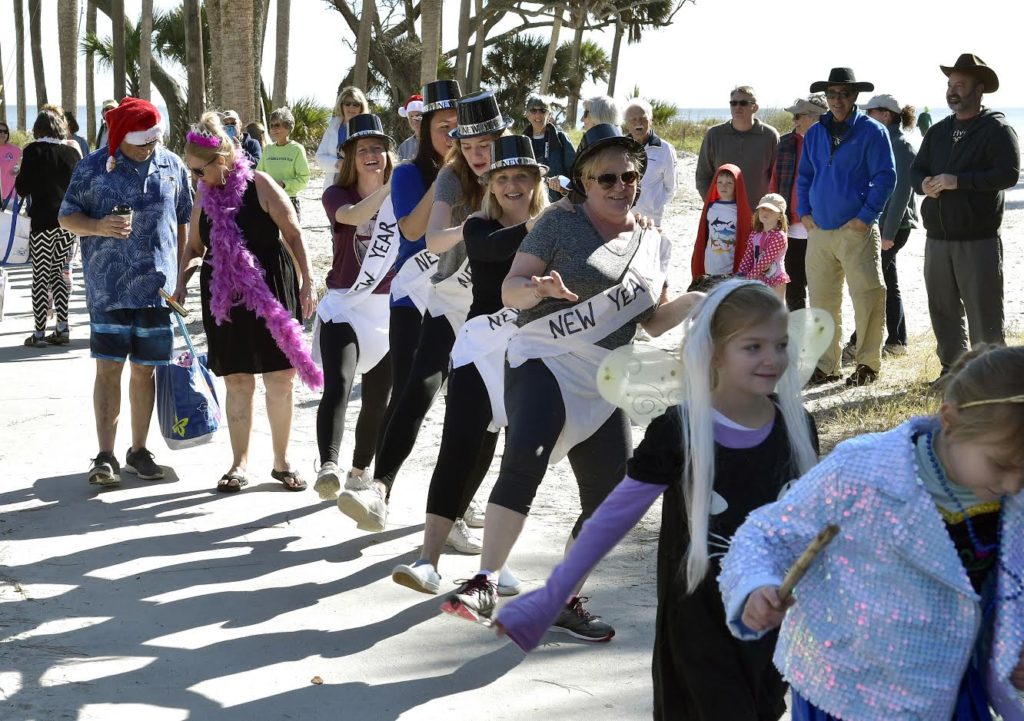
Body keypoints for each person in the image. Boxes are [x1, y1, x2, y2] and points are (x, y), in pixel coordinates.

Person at [497, 280, 819, 719]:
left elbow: (810, 526)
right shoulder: (680, 431)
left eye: (780, 345)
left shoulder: (797, 426)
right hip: (701, 627)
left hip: (774, 624)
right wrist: (553, 593)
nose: (772, 359)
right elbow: (613, 517)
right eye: (753, 346)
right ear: (714, 352)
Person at [440, 123, 701, 639]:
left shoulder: (652, 241)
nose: (620, 186)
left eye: (629, 176)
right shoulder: (559, 223)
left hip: (604, 374)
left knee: (607, 498)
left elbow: (649, 323)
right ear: (583, 180)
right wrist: (536, 289)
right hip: (544, 355)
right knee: (525, 459)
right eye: (607, 178)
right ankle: (484, 582)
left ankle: (563, 598)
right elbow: (512, 290)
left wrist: (697, 302)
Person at [721, 344, 1024, 721]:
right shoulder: (863, 471)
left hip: (949, 690)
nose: (1013, 484)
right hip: (849, 692)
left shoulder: (1013, 494)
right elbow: (765, 535)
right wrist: (754, 586)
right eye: (1000, 465)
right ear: (950, 420)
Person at [337, 89, 510, 537]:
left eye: (473, 138)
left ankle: (457, 508)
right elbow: (418, 232)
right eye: (450, 132)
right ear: (424, 128)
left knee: (484, 410)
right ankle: (380, 487)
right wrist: (451, 180)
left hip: (491, 301)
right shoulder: (422, 174)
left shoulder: (510, 171)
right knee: (418, 387)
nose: (461, 143)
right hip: (426, 293)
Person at [392, 136, 549, 594]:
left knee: (511, 461)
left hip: (532, 353)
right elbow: (494, 250)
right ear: (490, 184)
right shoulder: (481, 225)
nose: (512, 185)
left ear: (536, 179)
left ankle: (495, 563)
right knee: (459, 449)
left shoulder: (556, 223)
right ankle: (427, 559)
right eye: (502, 177)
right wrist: (553, 220)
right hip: (480, 351)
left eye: (522, 175)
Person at [172, 112, 319, 493]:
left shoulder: (261, 184)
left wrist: (308, 282)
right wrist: (181, 282)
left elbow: (293, 233)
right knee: (238, 379)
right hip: (224, 290)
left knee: (280, 378)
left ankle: (282, 461)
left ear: (221, 161)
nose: (194, 178)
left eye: (198, 170)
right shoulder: (204, 194)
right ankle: (239, 464)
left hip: (269, 285)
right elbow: (193, 247)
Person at [59, 97, 192, 486]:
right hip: (109, 290)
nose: (150, 148)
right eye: (141, 142)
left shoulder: (173, 165)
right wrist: (99, 227)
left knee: (145, 372)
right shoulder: (91, 167)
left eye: (154, 140)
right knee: (108, 369)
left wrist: (182, 278)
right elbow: (66, 216)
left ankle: (138, 450)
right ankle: (104, 455)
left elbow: (183, 221)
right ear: (119, 138)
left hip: (158, 292)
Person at [910, 54, 1020, 385]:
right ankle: (953, 372)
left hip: (978, 239)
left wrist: (960, 180)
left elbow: (1008, 174)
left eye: (960, 85)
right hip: (937, 239)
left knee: (983, 312)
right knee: (943, 310)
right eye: (950, 85)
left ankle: (992, 378)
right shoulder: (939, 131)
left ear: (979, 89)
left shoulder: (998, 129)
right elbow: (917, 169)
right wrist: (923, 185)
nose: (953, 91)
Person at [311, 114, 397, 500]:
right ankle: (328, 464)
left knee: (379, 400)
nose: (372, 155)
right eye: (363, 149)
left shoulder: (404, 195)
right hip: (345, 305)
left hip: (390, 309)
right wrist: (393, 190)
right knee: (340, 385)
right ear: (349, 157)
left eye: (378, 147)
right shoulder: (336, 194)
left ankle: (359, 471)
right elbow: (352, 217)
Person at [798, 68, 895, 388]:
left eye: (844, 94)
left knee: (867, 296)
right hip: (820, 231)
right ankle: (827, 366)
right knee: (823, 302)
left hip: (857, 231)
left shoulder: (872, 131)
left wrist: (865, 217)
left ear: (855, 97)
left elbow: (886, 177)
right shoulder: (814, 133)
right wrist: (804, 212)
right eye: (832, 94)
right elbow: (805, 176)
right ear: (825, 98)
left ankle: (867, 364)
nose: (837, 100)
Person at [845, 94, 919, 358]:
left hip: (894, 229)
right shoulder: (886, 141)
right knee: (888, 281)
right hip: (884, 226)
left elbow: (900, 196)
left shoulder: (901, 146)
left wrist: (887, 234)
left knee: (870, 283)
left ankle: (857, 343)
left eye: (870, 112)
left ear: (886, 115)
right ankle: (897, 341)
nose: (865, 117)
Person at [16, 108, 82, 347]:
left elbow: (22, 188)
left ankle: (40, 333)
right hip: (68, 223)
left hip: (42, 223)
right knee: (60, 275)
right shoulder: (72, 153)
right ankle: (62, 328)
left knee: (41, 276)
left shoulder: (32, 151)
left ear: (39, 128)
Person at [770, 94, 827, 311]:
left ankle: (821, 335)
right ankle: (799, 332)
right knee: (793, 284)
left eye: (799, 115)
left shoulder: (829, 142)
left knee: (820, 285)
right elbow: (774, 180)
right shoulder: (784, 143)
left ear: (815, 117)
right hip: (791, 225)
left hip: (820, 225)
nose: (794, 120)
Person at [696, 86, 780, 208]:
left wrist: (770, 208)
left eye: (743, 103)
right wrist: (713, 204)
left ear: (755, 107)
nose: (737, 107)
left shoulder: (769, 135)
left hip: (759, 214)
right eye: (733, 103)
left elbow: (777, 177)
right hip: (723, 211)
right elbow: (703, 176)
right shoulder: (714, 135)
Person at [690, 163, 751, 285]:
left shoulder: (741, 211)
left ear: (737, 185)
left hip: (731, 264)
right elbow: (703, 235)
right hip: (711, 263)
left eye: (729, 183)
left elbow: (746, 237)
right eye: (720, 182)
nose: (724, 186)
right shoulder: (711, 207)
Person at [623, 98, 677, 227]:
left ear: (650, 120)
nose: (638, 123)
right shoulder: (620, 147)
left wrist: (654, 206)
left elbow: (671, 188)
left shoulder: (665, 149)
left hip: (651, 220)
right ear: (627, 123)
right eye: (633, 119)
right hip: (623, 217)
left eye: (642, 118)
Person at [256, 107, 311, 223]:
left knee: (290, 240)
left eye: (277, 125)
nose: (273, 129)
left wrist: (284, 184)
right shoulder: (268, 150)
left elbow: (304, 179)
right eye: (271, 125)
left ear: (288, 127)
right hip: (269, 202)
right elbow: (259, 175)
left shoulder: (297, 150)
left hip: (289, 200)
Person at [522, 95, 576, 202]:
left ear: (549, 115)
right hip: (530, 203)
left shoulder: (561, 138)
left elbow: (575, 173)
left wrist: (563, 185)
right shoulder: (521, 141)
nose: (538, 115)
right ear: (527, 115)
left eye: (542, 110)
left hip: (558, 204)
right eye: (533, 111)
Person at [737, 194, 790, 298]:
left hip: (774, 279)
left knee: (775, 310)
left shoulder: (779, 236)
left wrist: (748, 278)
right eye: (763, 209)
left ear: (780, 215)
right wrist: (740, 275)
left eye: (771, 210)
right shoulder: (754, 234)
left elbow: (766, 260)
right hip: (757, 277)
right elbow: (748, 256)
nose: (765, 212)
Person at [315, 86, 369, 187]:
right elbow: (320, 157)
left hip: (360, 181)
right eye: (347, 104)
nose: (351, 107)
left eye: (356, 104)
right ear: (341, 106)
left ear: (361, 107)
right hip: (335, 181)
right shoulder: (332, 127)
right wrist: (337, 163)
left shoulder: (368, 128)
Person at [396, 94, 423, 162]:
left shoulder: (438, 140)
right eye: (411, 116)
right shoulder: (404, 147)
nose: (414, 120)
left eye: (418, 116)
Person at [0, 121, 23, 201]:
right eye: (0, 131)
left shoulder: (15, 150)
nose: (3, 134)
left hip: (10, 196)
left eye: (5, 132)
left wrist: (17, 170)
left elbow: (22, 168)